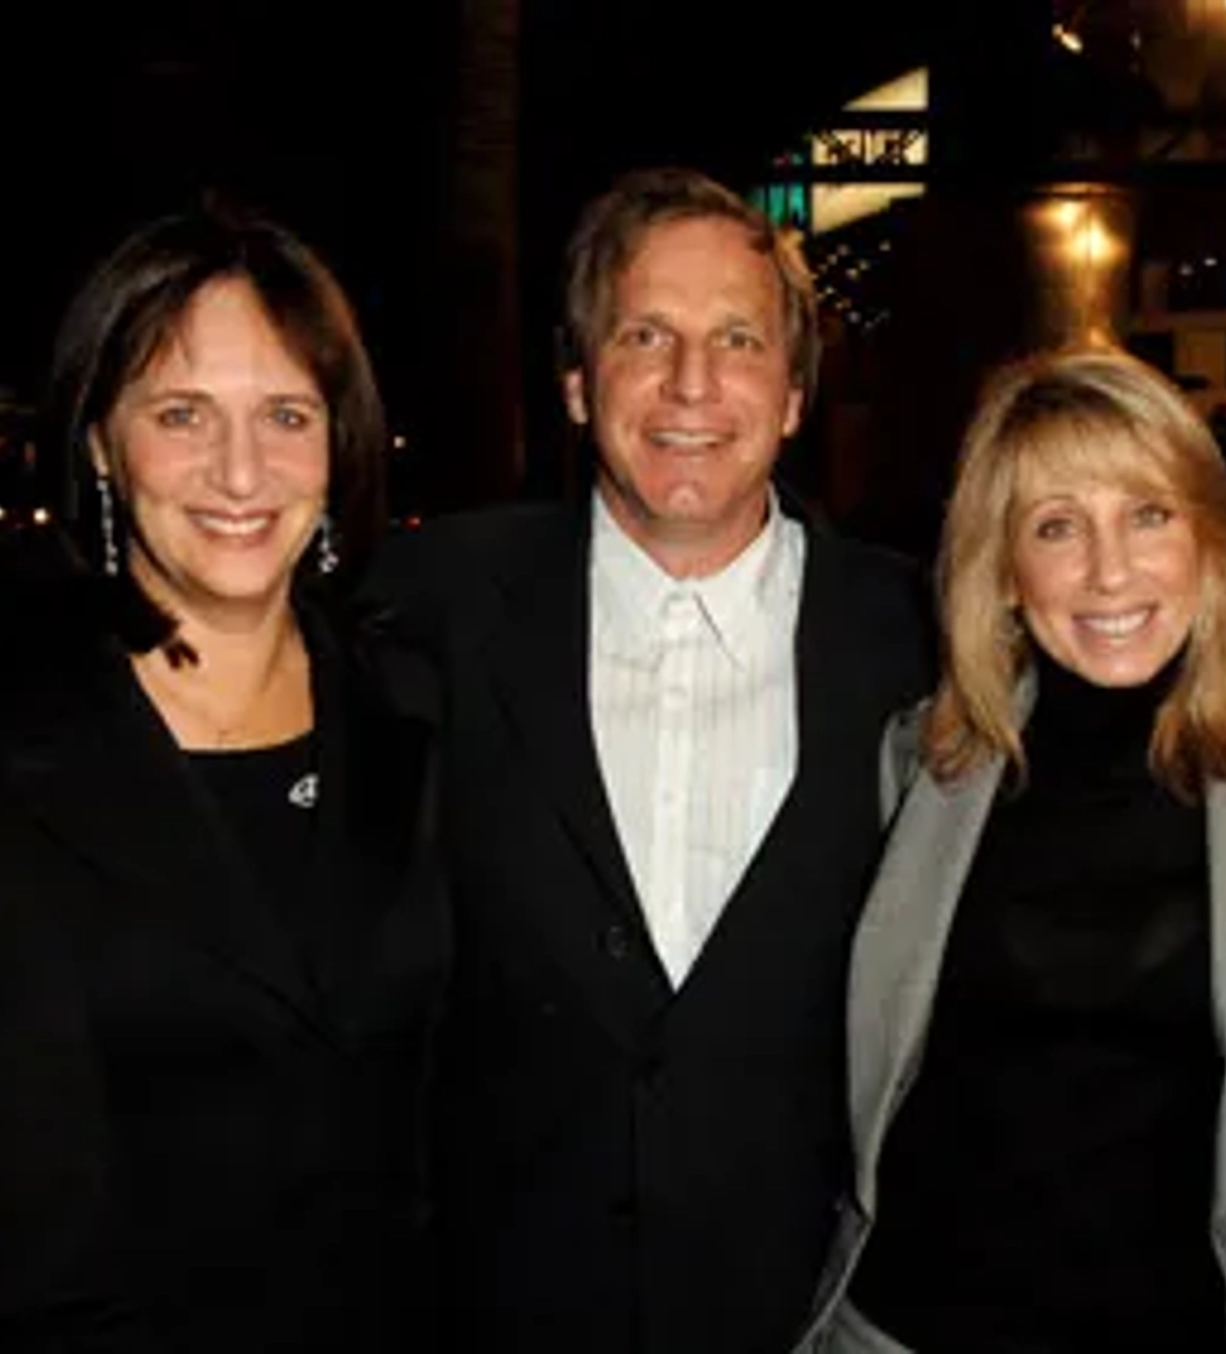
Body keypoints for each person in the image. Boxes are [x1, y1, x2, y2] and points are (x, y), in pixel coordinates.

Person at [365, 167, 934, 1352]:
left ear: (791, 395)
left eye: (737, 339)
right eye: (645, 336)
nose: (691, 384)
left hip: (810, 1317)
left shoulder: (920, 638)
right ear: (578, 383)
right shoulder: (425, 607)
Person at [0, 206, 448, 1350]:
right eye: (182, 414)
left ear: (339, 443)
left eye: (286, 414)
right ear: (98, 438)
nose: (239, 471)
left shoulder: (422, 712)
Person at [797, 347, 1226, 1354]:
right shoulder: (926, 764)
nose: (1109, 570)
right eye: (1055, 527)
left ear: (1209, 535)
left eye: (1148, 514)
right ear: (1001, 571)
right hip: (903, 1329)